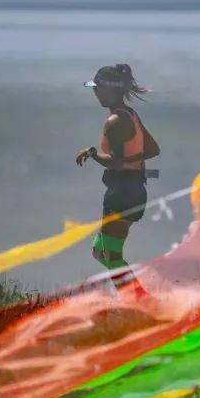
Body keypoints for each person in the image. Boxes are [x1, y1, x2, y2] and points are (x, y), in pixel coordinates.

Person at [76, 64, 160, 284]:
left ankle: (139, 304)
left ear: (110, 90)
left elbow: (114, 162)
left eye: (98, 88)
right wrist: (130, 161)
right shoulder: (130, 115)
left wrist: (94, 154)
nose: (95, 93)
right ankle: (137, 302)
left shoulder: (115, 122)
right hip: (131, 189)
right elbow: (152, 149)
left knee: (111, 256)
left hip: (123, 192)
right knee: (100, 252)